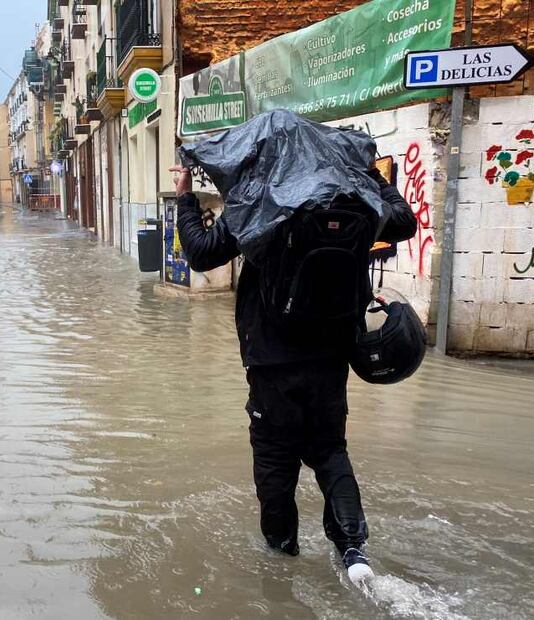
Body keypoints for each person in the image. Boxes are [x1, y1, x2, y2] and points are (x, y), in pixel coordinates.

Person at [170, 163, 417, 583]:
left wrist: (185, 198)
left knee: (274, 461)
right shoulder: (355, 200)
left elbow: (200, 253)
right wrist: (372, 178)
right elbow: (406, 222)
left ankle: (281, 562)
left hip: (271, 362)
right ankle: (353, 550)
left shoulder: (259, 199)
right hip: (331, 358)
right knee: (330, 451)